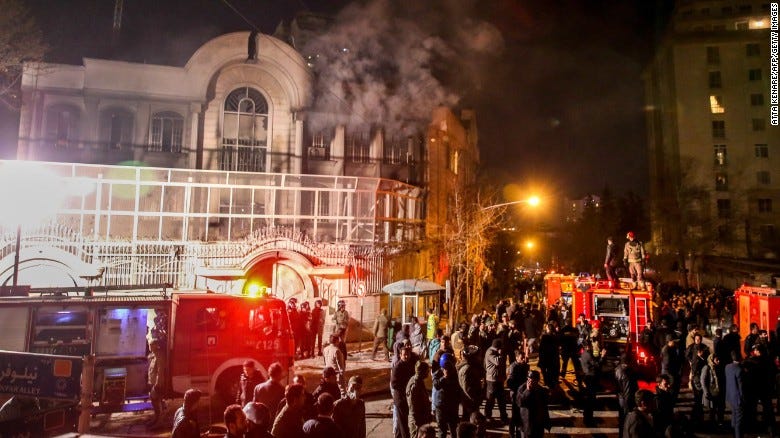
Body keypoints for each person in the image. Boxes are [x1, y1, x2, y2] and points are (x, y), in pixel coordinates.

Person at [432, 353, 461, 438]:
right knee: (442, 430)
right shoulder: (438, 373)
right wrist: (444, 378)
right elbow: (436, 385)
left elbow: (458, 386)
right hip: (441, 406)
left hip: (452, 405)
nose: (447, 369)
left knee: (453, 429)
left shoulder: (455, 373)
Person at [390, 346, 416, 438]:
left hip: (406, 398)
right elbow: (394, 384)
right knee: (403, 423)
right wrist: (406, 388)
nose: (406, 356)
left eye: (407, 354)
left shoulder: (409, 364)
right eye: (404, 355)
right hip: (401, 399)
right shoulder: (397, 367)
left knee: (401, 422)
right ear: (400, 355)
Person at [516, 370, 551, 438]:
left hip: (538, 423)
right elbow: (519, 402)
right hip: (527, 423)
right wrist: (527, 391)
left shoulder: (541, 390)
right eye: (529, 379)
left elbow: (544, 407)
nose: (530, 381)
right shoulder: (522, 388)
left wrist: (546, 422)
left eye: (533, 380)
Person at [506, 349, 530, 438]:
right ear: (516, 358)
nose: (524, 359)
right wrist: (517, 391)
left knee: (521, 413)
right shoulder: (513, 367)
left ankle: (519, 431)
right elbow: (510, 382)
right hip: (516, 393)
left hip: (522, 393)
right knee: (515, 414)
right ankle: (512, 432)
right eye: (521, 358)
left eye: (524, 357)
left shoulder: (525, 366)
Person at [483, 338, 508, 423]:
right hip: (492, 380)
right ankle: (487, 416)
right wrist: (500, 354)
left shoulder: (496, 351)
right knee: (490, 399)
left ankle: (504, 416)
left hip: (499, 379)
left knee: (502, 400)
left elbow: (503, 365)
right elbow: (498, 362)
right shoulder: (490, 352)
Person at [406, 361, 432, 438]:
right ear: (422, 372)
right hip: (417, 421)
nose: (428, 373)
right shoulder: (414, 385)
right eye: (427, 371)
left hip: (422, 418)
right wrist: (417, 423)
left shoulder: (419, 381)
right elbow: (412, 406)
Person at [458, 345, 484, 421]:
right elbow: (466, 388)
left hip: (472, 398)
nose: (480, 358)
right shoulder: (467, 369)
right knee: (470, 418)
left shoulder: (474, 366)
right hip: (470, 399)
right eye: (478, 356)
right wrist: (475, 398)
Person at [615, 353, 638, 438]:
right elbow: (628, 391)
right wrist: (630, 408)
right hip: (627, 401)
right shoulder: (627, 373)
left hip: (621, 398)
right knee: (627, 421)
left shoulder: (617, 369)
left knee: (622, 421)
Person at [147, 338, 167, 426]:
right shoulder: (153, 355)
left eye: (151, 345)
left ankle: (159, 421)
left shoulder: (159, 355)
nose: (149, 346)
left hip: (157, 383)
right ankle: (157, 419)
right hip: (153, 382)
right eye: (149, 344)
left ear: (156, 345)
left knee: (156, 400)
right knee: (155, 400)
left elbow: (160, 370)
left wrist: (158, 383)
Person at [725, 351, 744, 438]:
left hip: (730, 396)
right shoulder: (739, 369)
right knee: (739, 421)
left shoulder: (727, 367)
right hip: (738, 398)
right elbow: (741, 387)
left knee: (734, 416)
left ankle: (733, 433)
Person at [579, 341, 598, 427]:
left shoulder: (583, 354)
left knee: (588, 399)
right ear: (587, 347)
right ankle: (588, 420)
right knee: (590, 400)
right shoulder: (588, 355)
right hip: (590, 378)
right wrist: (602, 357)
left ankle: (587, 417)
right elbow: (596, 364)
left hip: (586, 377)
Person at [538, 323, 560, 388]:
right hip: (554, 356)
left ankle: (546, 382)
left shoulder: (544, 336)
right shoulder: (556, 336)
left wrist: (540, 356)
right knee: (553, 370)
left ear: (547, 328)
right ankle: (554, 382)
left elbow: (541, 348)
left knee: (544, 370)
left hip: (546, 356)